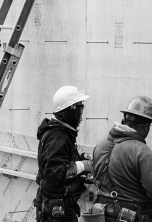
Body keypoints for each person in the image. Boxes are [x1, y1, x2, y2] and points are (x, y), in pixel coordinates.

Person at [91, 96, 152, 222]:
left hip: (102, 215)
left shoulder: (101, 145)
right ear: (146, 126)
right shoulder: (142, 152)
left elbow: (94, 176)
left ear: (124, 120)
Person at [35, 86, 93, 222]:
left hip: (56, 206)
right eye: (79, 110)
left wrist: (80, 158)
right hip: (57, 209)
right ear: (70, 111)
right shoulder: (58, 137)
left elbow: (59, 161)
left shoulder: (60, 133)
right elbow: (56, 173)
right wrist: (83, 165)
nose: (81, 117)